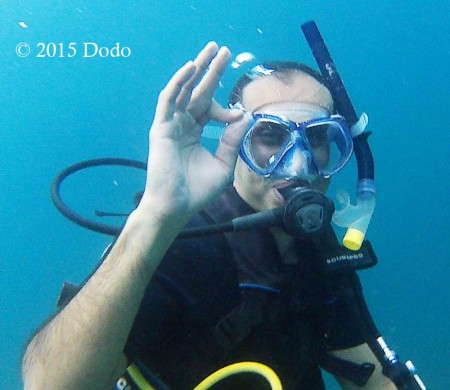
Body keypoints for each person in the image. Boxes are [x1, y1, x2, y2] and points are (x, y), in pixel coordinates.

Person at [22, 41, 399, 389]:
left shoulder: (321, 251)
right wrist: (156, 217)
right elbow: (48, 384)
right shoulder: (184, 241)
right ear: (236, 143)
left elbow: (371, 375)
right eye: (270, 135)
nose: (297, 165)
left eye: (316, 137)